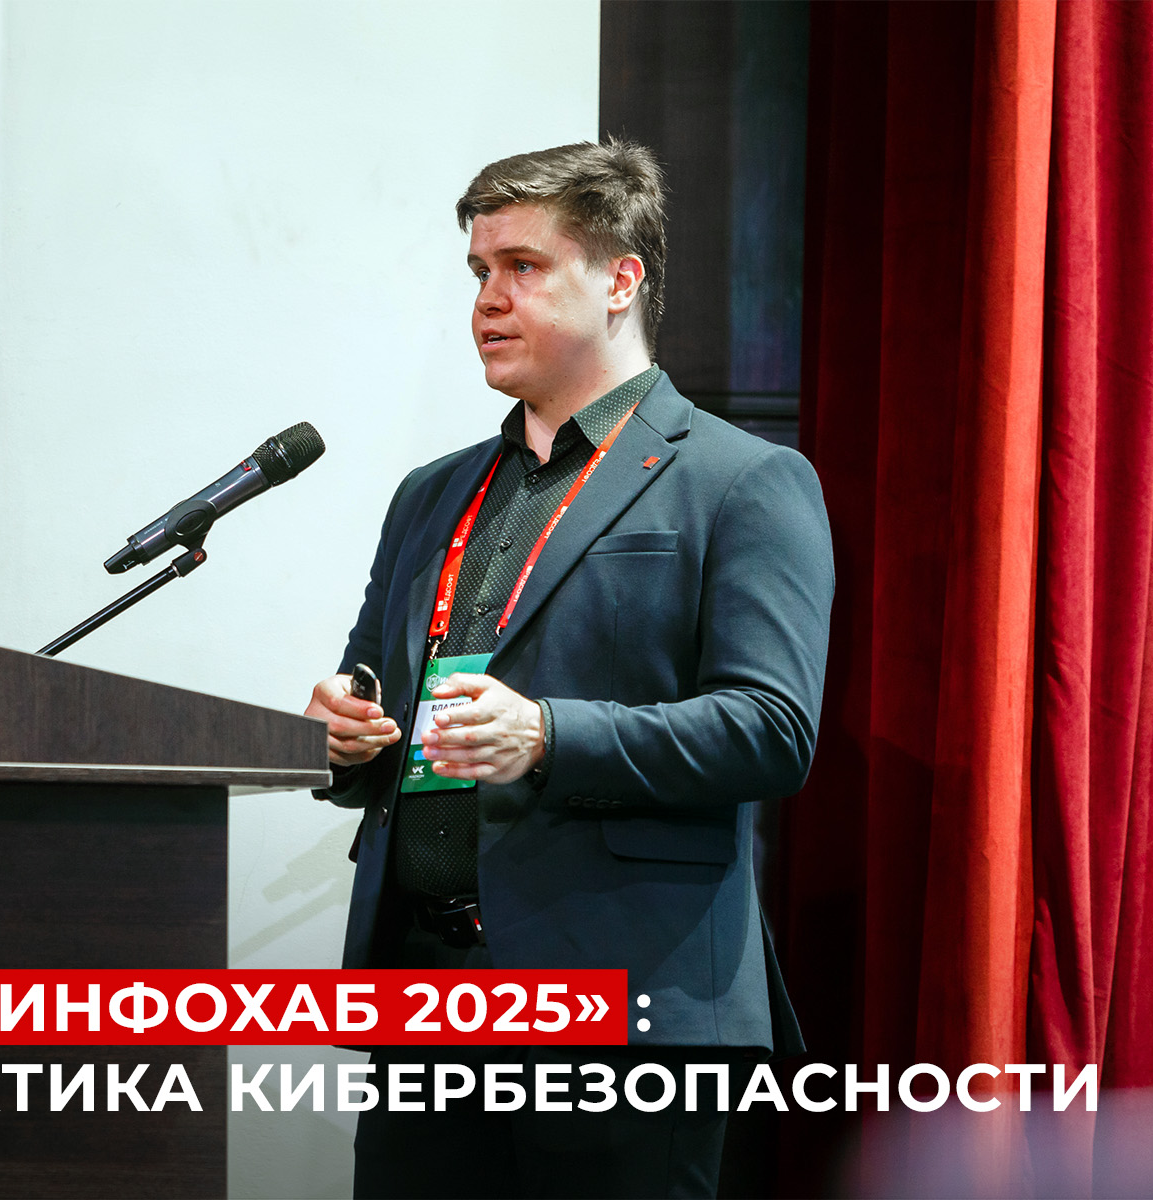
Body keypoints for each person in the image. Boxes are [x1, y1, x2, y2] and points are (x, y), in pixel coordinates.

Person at [304, 138, 834, 1199]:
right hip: (426, 997)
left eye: (524, 267)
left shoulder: (743, 481)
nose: (488, 301)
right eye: (479, 272)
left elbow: (773, 729)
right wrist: (349, 732)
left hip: (626, 1004)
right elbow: (372, 684)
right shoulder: (430, 494)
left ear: (620, 279)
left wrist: (548, 735)